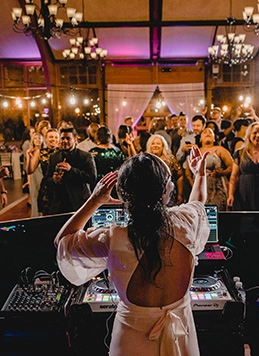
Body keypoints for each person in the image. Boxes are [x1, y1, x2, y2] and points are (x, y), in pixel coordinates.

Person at [54, 147, 210, 356]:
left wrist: (95, 200)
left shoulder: (112, 238)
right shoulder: (187, 223)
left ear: (124, 194)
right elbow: (198, 201)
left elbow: (62, 242)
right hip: (181, 339)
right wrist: (199, 174)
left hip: (130, 343)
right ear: (165, 192)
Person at [42, 127, 97, 215]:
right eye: (62, 138)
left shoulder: (85, 156)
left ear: (75, 140)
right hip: (58, 205)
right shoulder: (54, 157)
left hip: (78, 204)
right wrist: (54, 179)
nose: (65, 141)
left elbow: (92, 178)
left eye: (68, 138)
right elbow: (46, 180)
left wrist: (71, 170)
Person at [186, 127, 233, 210]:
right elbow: (188, 172)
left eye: (210, 132)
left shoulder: (220, 149)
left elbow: (232, 166)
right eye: (204, 132)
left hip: (217, 186)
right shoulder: (196, 151)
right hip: (200, 185)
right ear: (200, 138)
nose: (207, 133)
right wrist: (193, 184)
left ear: (214, 138)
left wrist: (222, 173)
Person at [89, 125, 126, 198]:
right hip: (114, 182)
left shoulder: (93, 152)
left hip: (99, 183)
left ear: (97, 137)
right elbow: (123, 167)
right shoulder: (117, 151)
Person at [146, 134, 183, 206]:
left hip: (168, 194)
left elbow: (180, 176)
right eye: (153, 143)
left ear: (163, 146)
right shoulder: (146, 160)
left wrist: (180, 194)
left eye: (158, 143)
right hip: (150, 195)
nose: (155, 145)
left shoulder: (170, 159)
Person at [25, 132, 45, 217]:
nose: (37, 140)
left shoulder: (44, 151)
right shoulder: (31, 151)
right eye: (35, 138)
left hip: (42, 175)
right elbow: (28, 169)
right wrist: (28, 180)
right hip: (34, 177)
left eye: (39, 138)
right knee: (34, 197)